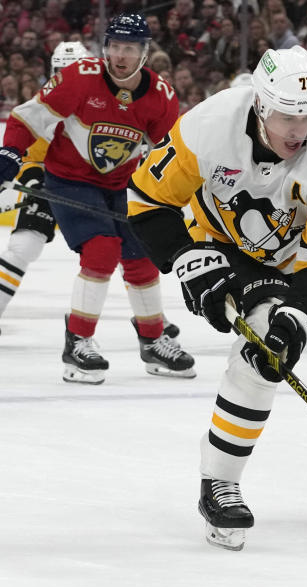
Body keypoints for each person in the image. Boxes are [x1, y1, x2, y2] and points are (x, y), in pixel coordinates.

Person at [125, 46, 307, 551]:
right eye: (286, 115)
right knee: (259, 354)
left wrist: (299, 316)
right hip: (228, 248)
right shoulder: (209, 126)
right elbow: (148, 201)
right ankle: (220, 482)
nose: (298, 129)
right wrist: (185, 257)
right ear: (259, 105)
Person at [0, 13, 194, 384]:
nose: (121, 56)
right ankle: (79, 341)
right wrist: (10, 154)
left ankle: (154, 341)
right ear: (106, 48)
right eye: (115, 47)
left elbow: (171, 155)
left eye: (130, 48)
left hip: (124, 184)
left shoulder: (161, 97)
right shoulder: (79, 78)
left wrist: (178, 195)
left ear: (144, 52)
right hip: (69, 180)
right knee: (102, 249)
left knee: (140, 253)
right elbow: (28, 118)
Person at [0, 42, 89, 330]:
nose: (68, 76)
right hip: (50, 181)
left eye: (74, 70)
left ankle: (153, 325)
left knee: (124, 252)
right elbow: (30, 155)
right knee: (23, 246)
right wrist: (32, 178)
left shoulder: (103, 102)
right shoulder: (45, 102)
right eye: (63, 71)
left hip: (94, 187)